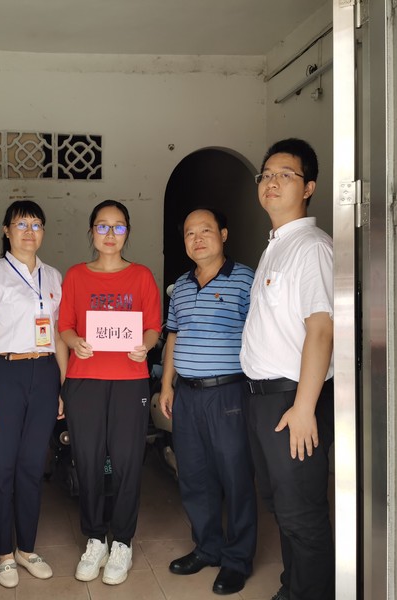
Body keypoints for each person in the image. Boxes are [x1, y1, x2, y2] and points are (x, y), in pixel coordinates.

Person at [240, 138, 334, 600]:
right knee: (282, 506)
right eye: (266, 175)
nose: (271, 182)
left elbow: (321, 330)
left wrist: (303, 408)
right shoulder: (276, 246)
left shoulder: (312, 247)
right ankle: (293, 588)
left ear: (309, 187)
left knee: (302, 512)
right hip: (266, 400)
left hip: (293, 399)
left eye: (285, 175)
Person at [58, 199, 162, 586]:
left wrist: (145, 346)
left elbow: (153, 326)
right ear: (92, 231)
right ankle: (94, 538)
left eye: (118, 227)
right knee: (87, 459)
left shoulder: (142, 276)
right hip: (84, 380)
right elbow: (65, 325)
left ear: (127, 233)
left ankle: (122, 542)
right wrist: (76, 342)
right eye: (102, 226)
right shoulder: (75, 276)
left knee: (127, 461)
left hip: (130, 381)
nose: (110, 234)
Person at [0, 200, 68, 588]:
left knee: (32, 464)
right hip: (4, 371)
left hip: (44, 372)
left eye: (36, 224)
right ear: (7, 231)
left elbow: (58, 335)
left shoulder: (53, 276)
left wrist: (62, 387)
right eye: (21, 224)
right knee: (3, 464)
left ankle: (26, 547)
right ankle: (3, 552)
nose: (29, 231)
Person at [159, 208, 257, 595]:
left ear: (224, 234)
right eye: (189, 233)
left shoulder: (246, 279)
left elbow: (260, 334)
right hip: (186, 394)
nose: (197, 238)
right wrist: (167, 385)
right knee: (194, 476)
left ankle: (237, 560)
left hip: (228, 393)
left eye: (205, 230)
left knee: (235, 478)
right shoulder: (181, 286)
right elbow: (173, 336)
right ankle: (207, 548)